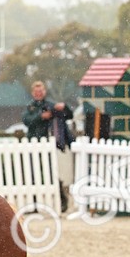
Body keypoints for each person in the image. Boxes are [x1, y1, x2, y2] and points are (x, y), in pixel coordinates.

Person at [23, 81, 75, 211]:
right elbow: (27, 121)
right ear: (33, 93)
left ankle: (62, 201)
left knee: (53, 172)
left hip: (48, 143)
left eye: (40, 91)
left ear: (44, 92)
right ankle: (34, 204)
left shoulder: (50, 104)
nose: (39, 94)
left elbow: (68, 115)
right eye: (36, 92)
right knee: (33, 174)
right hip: (33, 143)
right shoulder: (30, 107)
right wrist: (41, 117)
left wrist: (65, 107)